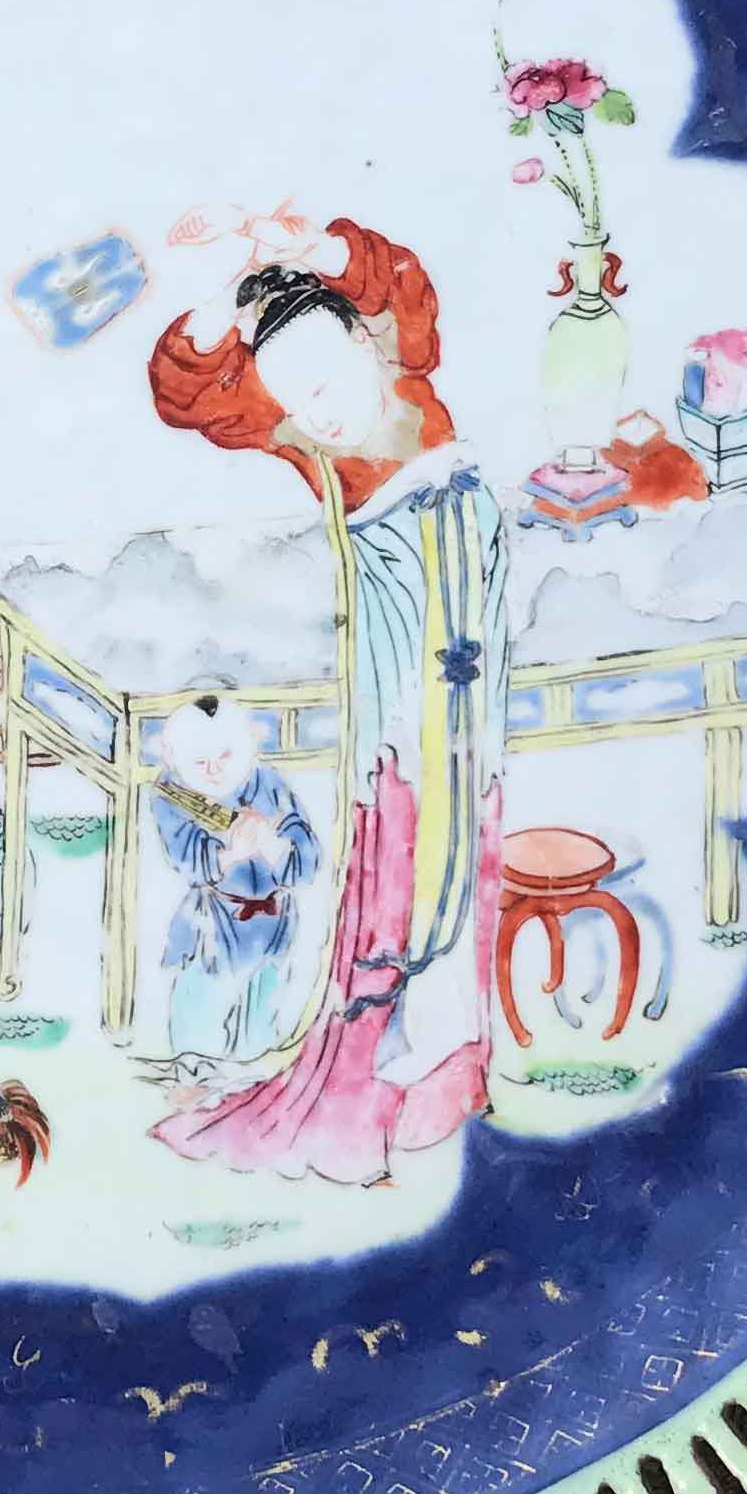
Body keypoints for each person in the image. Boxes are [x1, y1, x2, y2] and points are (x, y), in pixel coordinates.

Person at [144, 212, 508, 1184]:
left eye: (332, 377)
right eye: (297, 394)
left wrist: (308, 251)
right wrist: (227, 292)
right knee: (399, 804)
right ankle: (397, 1042)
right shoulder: (303, 440)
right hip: (391, 583)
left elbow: (399, 280)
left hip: (464, 567)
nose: (325, 409)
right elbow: (186, 394)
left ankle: (452, 1041)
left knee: (465, 795)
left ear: (366, 345)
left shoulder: (404, 358)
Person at [150, 694, 320, 1083]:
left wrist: (272, 845)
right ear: (172, 756)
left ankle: (250, 1082)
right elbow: (187, 857)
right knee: (200, 1010)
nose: (213, 770)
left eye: (225, 756)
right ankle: (193, 1079)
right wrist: (232, 854)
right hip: (213, 920)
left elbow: (306, 857)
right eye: (199, 762)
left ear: (251, 743)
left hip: (275, 920)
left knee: (262, 1015)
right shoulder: (172, 793)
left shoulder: (270, 784)